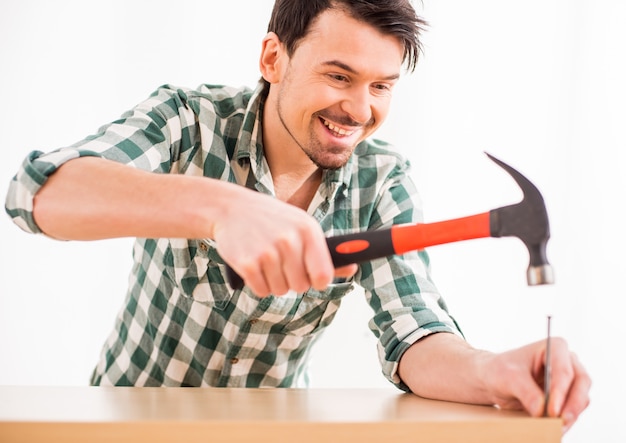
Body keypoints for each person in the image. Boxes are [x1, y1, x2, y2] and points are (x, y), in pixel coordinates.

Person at [5, 0, 589, 433]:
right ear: (272, 57)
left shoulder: (380, 180)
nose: (359, 109)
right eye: (339, 76)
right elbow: (37, 193)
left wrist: (494, 374)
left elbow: (414, 332)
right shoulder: (187, 120)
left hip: (272, 433)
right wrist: (221, 207)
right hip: (121, 425)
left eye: (381, 85)